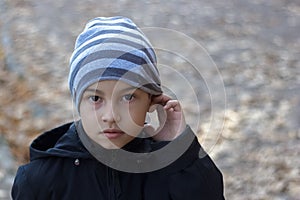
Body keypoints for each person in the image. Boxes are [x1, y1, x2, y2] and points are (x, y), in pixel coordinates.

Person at [11, 16, 225, 199]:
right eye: (95, 98)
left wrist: (179, 151)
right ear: (78, 101)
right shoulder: (39, 182)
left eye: (128, 97)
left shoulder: (172, 171)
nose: (111, 116)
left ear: (151, 101)